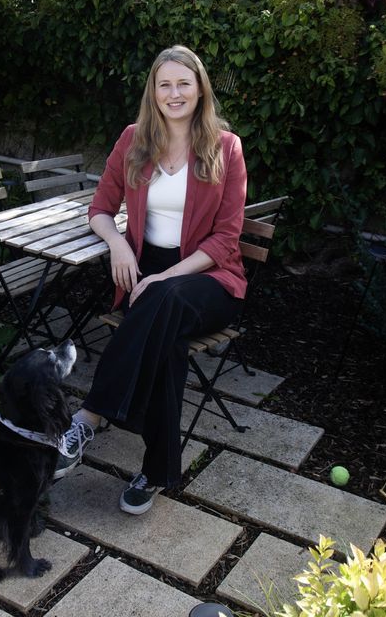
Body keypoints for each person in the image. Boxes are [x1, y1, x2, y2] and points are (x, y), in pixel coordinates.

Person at [54, 45, 248, 515]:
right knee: (168, 346)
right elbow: (100, 208)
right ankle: (158, 471)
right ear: (153, 92)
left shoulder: (226, 147)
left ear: (200, 89)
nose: (174, 93)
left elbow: (226, 238)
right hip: (145, 277)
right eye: (165, 84)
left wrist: (166, 277)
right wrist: (118, 245)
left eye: (184, 83)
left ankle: (88, 416)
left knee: (166, 299)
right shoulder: (133, 140)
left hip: (209, 277)